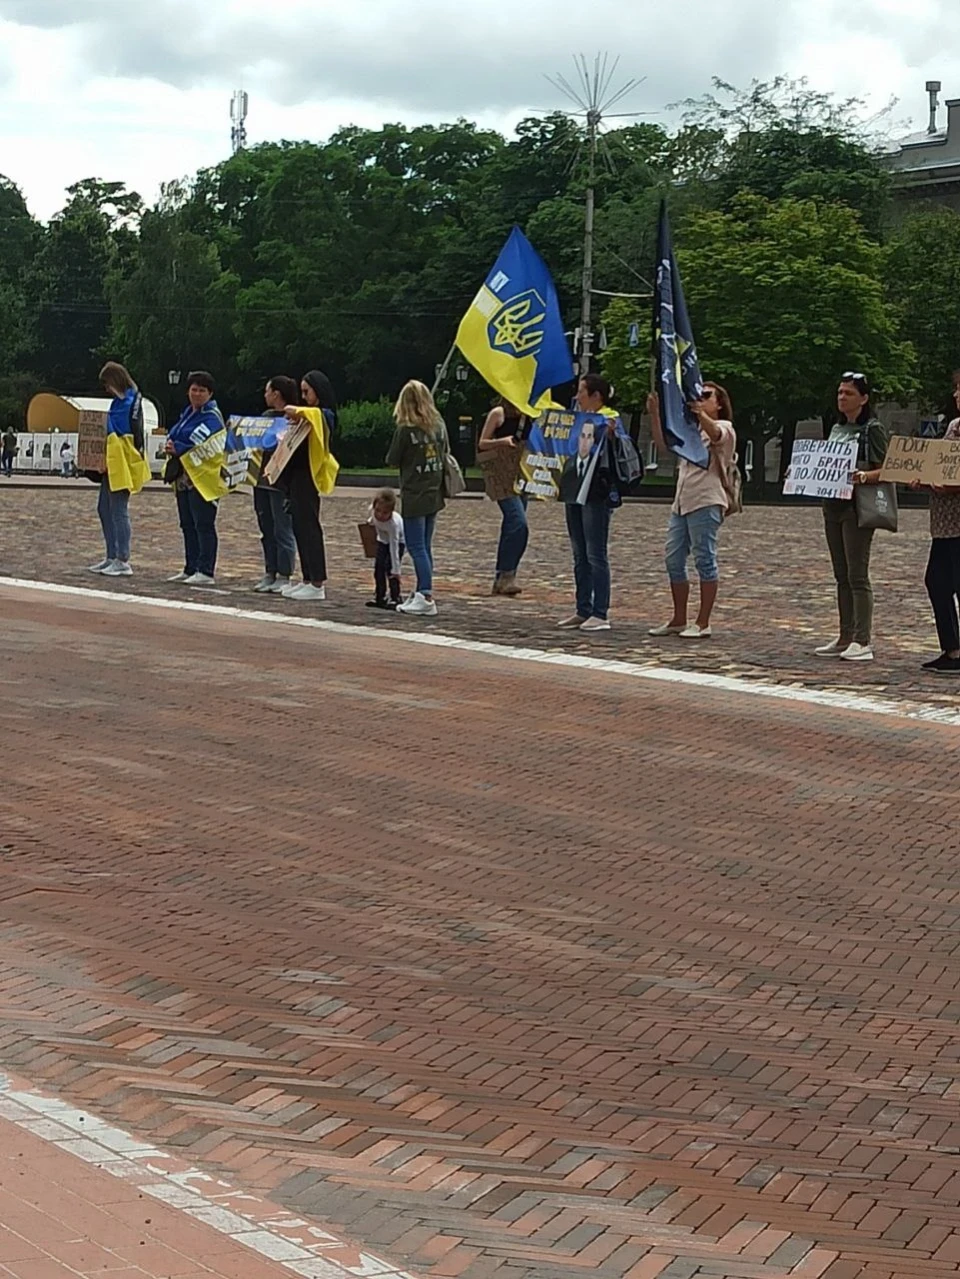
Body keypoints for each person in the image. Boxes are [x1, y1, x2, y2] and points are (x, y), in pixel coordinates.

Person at [646, 383, 737, 639]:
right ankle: (678, 618)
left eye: (707, 396)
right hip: (682, 501)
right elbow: (664, 446)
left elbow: (717, 434)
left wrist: (700, 413)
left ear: (719, 403)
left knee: (704, 559)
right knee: (673, 559)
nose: (700, 399)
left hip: (706, 499)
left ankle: (703, 621)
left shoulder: (724, 427)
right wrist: (655, 414)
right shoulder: (690, 430)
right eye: (697, 395)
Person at [815, 373, 891, 663]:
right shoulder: (836, 428)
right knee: (841, 575)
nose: (842, 397)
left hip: (857, 508)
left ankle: (862, 638)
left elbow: (885, 469)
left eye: (848, 393)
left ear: (863, 398)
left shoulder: (872, 429)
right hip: (832, 506)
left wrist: (863, 476)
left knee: (857, 574)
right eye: (840, 392)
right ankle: (845, 634)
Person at [558, 373, 619, 633]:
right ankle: (582, 608)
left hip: (596, 493)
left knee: (595, 553)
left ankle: (600, 612)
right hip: (574, 488)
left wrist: (613, 435)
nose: (576, 397)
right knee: (579, 553)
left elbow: (617, 449)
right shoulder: (576, 420)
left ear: (596, 395)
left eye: (581, 392)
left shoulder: (609, 418)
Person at [386, 380, 449, 617]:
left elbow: (393, 458)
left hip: (414, 493)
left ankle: (425, 593)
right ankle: (423, 590)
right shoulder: (439, 426)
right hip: (434, 491)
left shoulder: (406, 429)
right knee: (426, 545)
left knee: (416, 547)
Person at [278, 370, 340, 601]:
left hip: (308, 476)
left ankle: (317, 581)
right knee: (299, 527)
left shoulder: (325, 415)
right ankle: (306, 578)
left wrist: (297, 412)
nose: (303, 397)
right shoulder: (309, 414)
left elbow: (316, 416)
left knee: (309, 527)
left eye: (307, 392)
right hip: (296, 476)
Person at [88, 362, 150, 577]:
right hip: (113, 461)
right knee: (105, 508)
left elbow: (119, 435)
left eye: (107, 384)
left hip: (121, 461)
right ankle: (112, 555)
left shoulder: (128, 403)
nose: (106, 389)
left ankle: (122, 558)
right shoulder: (123, 402)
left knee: (118, 510)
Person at [165, 371, 225, 586]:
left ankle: (205, 569)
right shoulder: (187, 413)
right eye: (194, 389)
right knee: (187, 524)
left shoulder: (212, 417)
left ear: (210, 393)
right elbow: (176, 433)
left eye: (202, 390)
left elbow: (199, 440)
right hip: (184, 477)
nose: (197, 394)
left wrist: (178, 446)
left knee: (204, 524)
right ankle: (190, 566)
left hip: (203, 478)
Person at [918, 385, 960, 674]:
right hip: (945, 523)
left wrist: (949, 486)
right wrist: (919, 477)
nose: (956, 395)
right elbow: (940, 463)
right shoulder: (955, 426)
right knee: (937, 582)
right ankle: (952, 649)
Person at [477, 398, 528, 596]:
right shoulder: (498, 413)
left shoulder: (528, 413)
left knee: (512, 526)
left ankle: (505, 576)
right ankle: (506, 574)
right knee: (518, 522)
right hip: (501, 476)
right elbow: (482, 443)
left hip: (520, 474)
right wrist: (501, 442)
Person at [253, 377, 299, 594]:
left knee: (283, 529)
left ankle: (284, 573)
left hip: (280, 482)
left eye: (268, 391)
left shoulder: (292, 418)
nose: (265, 395)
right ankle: (270, 571)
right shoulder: (265, 418)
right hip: (261, 480)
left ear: (277, 394)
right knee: (266, 528)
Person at [365, 488, 405, 610]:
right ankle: (379, 595)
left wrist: (396, 569)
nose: (380, 515)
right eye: (378, 511)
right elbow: (371, 519)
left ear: (391, 512)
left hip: (398, 542)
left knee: (390, 568)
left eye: (385, 513)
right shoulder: (373, 512)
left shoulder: (394, 524)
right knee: (378, 568)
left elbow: (394, 547)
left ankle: (395, 596)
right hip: (382, 540)